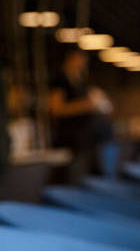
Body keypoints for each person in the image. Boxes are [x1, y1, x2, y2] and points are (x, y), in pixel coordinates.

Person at [49, 49, 115, 182]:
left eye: (85, 62)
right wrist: (85, 105)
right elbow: (56, 109)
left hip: (87, 137)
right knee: (74, 176)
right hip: (71, 137)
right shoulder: (60, 80)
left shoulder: (82, 82)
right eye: (80, 60)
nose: (82, 64)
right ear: (70, 59)